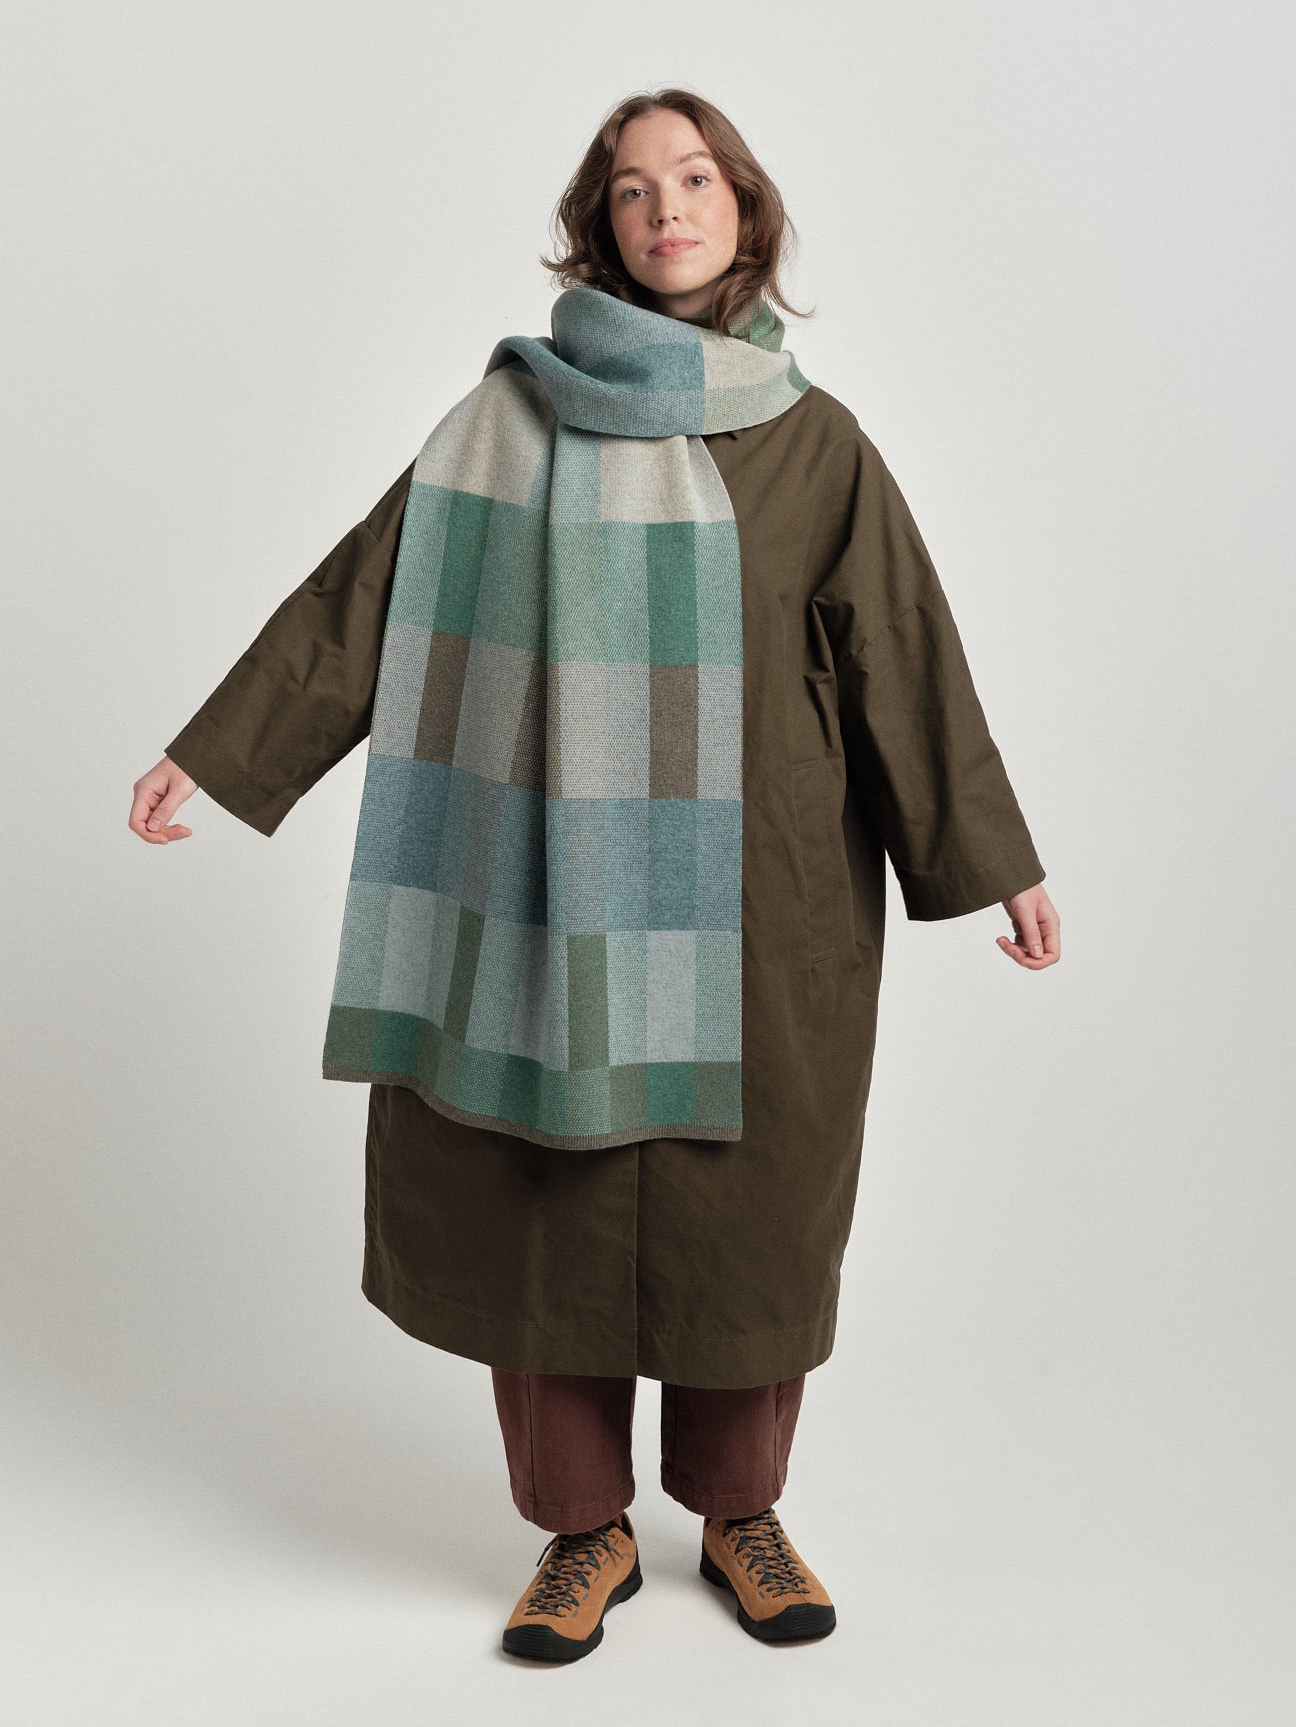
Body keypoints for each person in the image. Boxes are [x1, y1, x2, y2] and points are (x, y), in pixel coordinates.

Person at [130, 88, 1060, 1664]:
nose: (666, 208)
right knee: (539, 1203)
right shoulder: (508, 423)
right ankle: (583, 1532)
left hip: (758, 903)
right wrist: (220, 756)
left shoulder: (813, 443)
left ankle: (742, 1514)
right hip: (538, 886)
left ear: (743, 209)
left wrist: (996, 862)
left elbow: (903, 655)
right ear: (601, 227)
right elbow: (369, 598)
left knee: (745, 1213)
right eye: (632, 189)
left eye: (693, 178)